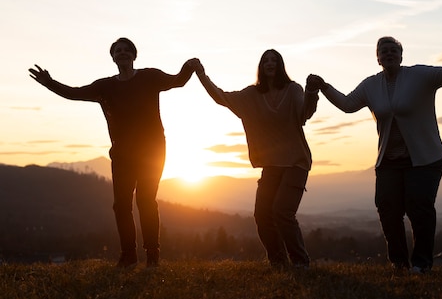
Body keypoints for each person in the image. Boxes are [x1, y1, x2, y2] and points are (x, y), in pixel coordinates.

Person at [307, 37, 442, 274]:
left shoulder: (419, 76)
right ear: (377, 58)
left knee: (420, 208)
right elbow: (347, 104)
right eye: (383, 51)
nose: (388, 54)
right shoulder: (371, 85)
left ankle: (421, 264)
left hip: (425, 158)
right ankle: (399, 264)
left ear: (401, 55)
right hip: (388, 160)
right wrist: (324, 87)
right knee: (387, 209)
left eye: (393, 50)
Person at [28, 37, 197, 268]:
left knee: (146, 201)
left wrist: (189, 67)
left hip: (152, 151)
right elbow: (74, 93)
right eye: (118, 50)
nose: (123, 53)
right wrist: (49, 82)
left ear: (134, 55)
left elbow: (178, 81)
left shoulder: (150, 77)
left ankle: (152, 255)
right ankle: (129, 255)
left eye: (127, 50)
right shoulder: (105, 87)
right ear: (113, 57)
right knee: (121, 205)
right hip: (122, 153)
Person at [194, 49, 318, 268]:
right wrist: (202, 75)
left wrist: (311, 93)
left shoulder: (293, 89)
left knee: (282, 212)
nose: (270, 63)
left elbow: (303, 115)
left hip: (295, 163)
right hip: (271, 165)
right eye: (266, 60)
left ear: (281, 65)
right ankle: (278, 262)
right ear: (261, 66)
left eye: (274, 60)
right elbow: (221, 97)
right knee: (262, 215)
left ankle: (300, 262)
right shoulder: (251, 95)